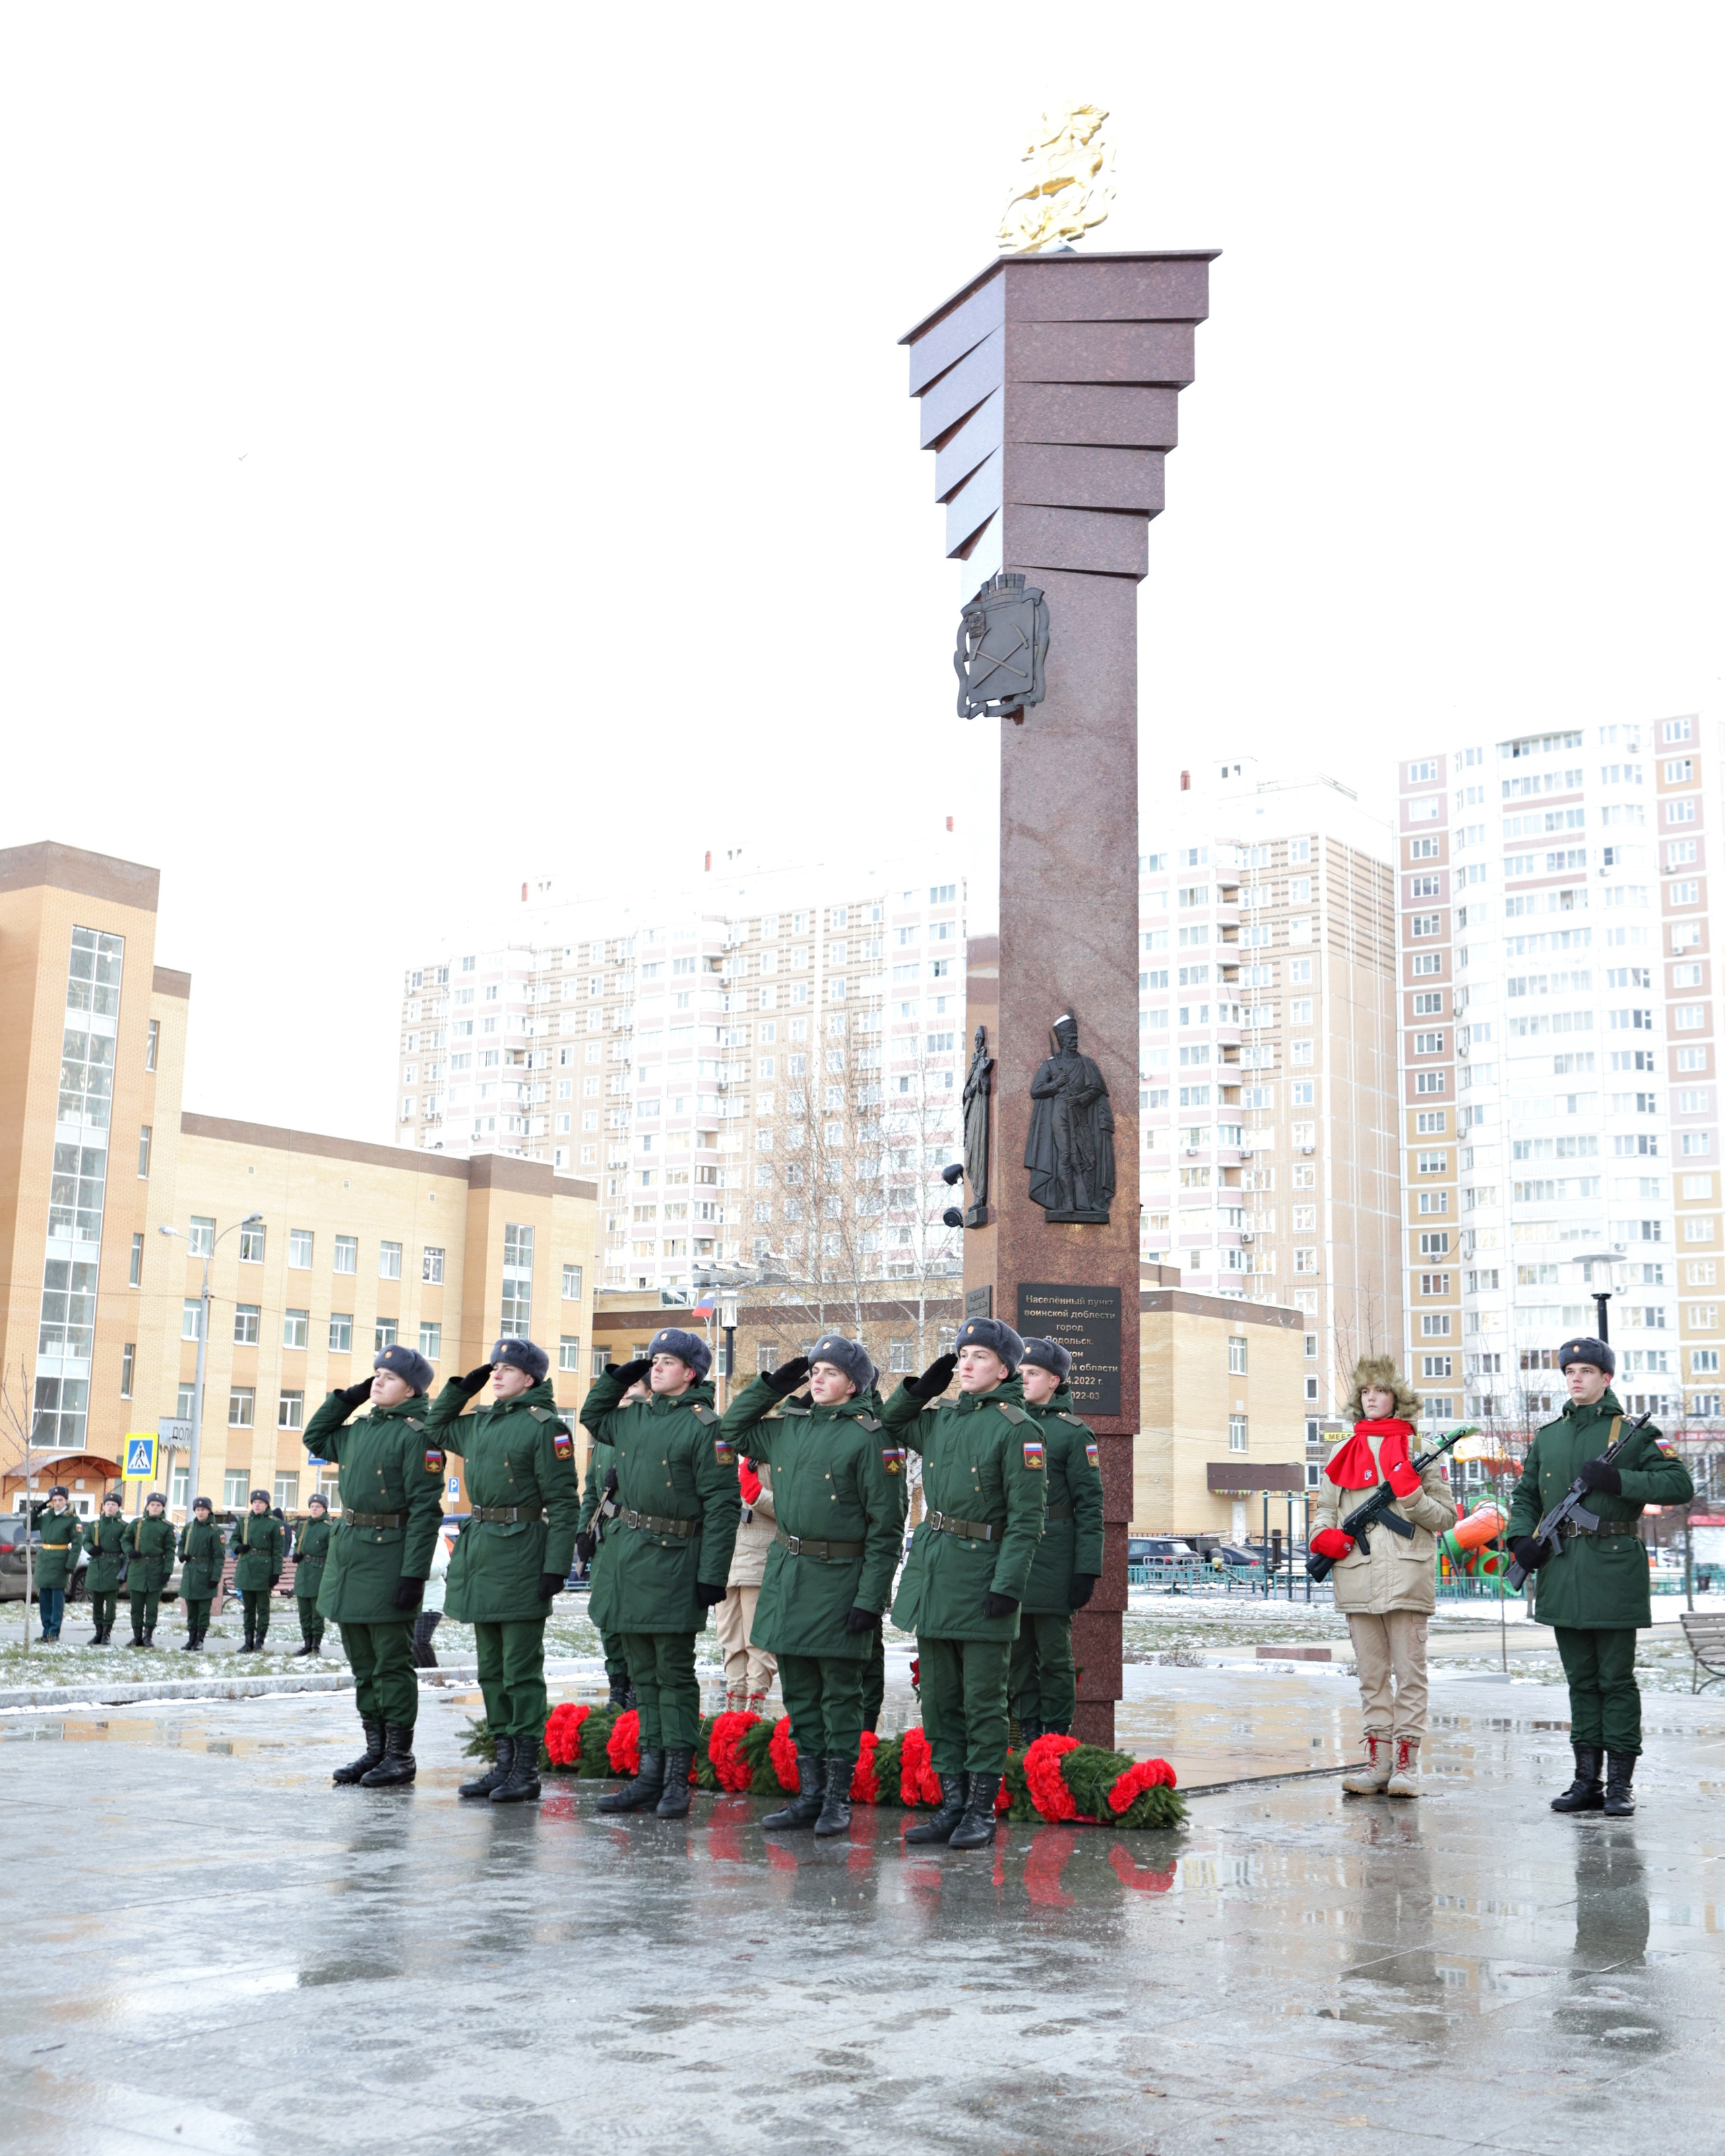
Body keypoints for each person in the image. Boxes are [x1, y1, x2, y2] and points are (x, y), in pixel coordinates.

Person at [720, 1334, 902, 1835]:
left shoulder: (871, 1438)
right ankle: (810, 1794)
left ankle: (837, 1800)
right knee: (799, 1693)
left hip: (841, 1578)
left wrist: (871, 1599)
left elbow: (886, 1530)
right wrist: (773, 1386)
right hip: (790, 1574)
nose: (818, 1379)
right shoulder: (788, 1429)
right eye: (814, 1371)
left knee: (840, 1695)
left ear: (853, 1385)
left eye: (829, 1373)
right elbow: (732, 1428)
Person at [1507, 1336, 1694, 1816]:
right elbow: (1527, 1493)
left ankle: (1619, 1786)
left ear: (1606, 1378)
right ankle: (1585, 1781)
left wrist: (1619, 1481)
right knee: (1580, 1680)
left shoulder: (1629, 1432)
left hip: (1612, 1567)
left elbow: (1680, 1485)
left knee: (1615, 1679)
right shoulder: (1549, 1435)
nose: (1576, 1378)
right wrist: (1520, 1540)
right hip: (1562, 1567)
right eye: (1570, 1371)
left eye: (1587, 1371)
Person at [882, 1315, 1046, 1850]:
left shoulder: (1017, 1429)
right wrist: (920, 1389)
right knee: (939, 1700)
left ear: (1005, 1369)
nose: (967, 1364)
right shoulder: (943, 1419)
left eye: (978, 1356)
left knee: (982, 1701)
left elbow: (1027, 1521)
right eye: (963, 1355)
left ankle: (979, 1809)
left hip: (982, 1579)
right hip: (935, 1573)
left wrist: (1008, 1585)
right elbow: (891, 1422)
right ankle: (951, 1804)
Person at [579, 1327, 741, 1817]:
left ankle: (675, 1780)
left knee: (673, 1674)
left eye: (667, 1362)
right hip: (629, 1562)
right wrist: (621, 1376)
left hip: (675, 1560)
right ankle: (648, 1775)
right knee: (642, 1676)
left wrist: (713, 1574)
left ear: (690, 1373)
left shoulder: (705, 1427)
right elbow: (592, 1416)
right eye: (652, 1360)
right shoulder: (633, 1419)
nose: (656, 1367)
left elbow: (722, 1506)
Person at [430, 1337, 582, 1805]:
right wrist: (463, 1387)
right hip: (482, 1554)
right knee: (491, 1670)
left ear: (529, 1379)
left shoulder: (546, 1428)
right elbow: (436, 1427)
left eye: (506, 1369)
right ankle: (502, 1763)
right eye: (494, 1368)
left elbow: (562, 1502)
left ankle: (525, 1769)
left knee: (520, 1669)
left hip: (521, 1554)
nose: (496, 1375)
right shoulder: (480, 1422)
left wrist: (556, 1567)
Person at [1310, 1356, 1456, 1798]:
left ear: (1397, 1397)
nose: (1371, 1398)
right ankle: (1379, 1762)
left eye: (1380, 1390)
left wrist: (1411, 1498)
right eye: (1365, 1392)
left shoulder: (1419, 1449)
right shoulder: (1343, 1451)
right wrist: (1324, 1539)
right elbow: (1324, 1512)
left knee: (1410, 1673)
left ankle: (1406, 1766)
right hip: (1357, 1576)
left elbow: (1446, 1517)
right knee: (1371, 1676)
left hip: (1407, 1577)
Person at [303, 1343, 446, 1787]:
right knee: (363, 1664)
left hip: (389, 1559)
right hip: (350, 1560)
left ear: (411, 1389)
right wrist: (349, 1397)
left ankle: (399, 1756)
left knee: (391, 1664)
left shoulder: (418, 1433)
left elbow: (426, 1511)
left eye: (388, 1377)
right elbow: (316, 1438)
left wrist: (412, 1573)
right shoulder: (361, 1428)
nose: (378, 1381)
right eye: (375, 1374)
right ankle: (375, 1750)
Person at [1010, 1337, 1105, 1742]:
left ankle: (1055, 1735)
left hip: (1053, 1558)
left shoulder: (1072, 1434)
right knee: (1015, 1654)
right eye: (1020, 1374)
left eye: (1033, 1374)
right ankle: (1026, 1733)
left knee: (1053, 1656)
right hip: (1012, 1556)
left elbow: (1090, 1506)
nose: (1024, 1380)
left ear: (1055, 1380)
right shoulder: (1007, 1423)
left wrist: (1087, 1568)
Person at [575, 1373, 646, 1710]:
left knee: (630, 1617)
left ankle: (635, 1686)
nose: (625, 1394)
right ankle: (617, 1685)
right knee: (605, 1617)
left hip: (634, 1540)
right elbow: (591, 1490)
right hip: (605, 1541)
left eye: (632, 1388)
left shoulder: (644, 1429)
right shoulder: (605, 1437)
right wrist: (584, 1534)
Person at [718, 1443, 778, 1717]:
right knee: (729, 1638)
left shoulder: (776, 1451)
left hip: (759, 1558)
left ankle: (754, 1710)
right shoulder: (725, 1449)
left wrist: (757, 1494)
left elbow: (796, 1507)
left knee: (758, 1641)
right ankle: (734, 1707)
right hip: (725, 1556)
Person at [229, 1490, 286, 1651]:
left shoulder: (275, 1523)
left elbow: (278, 1550)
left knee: (263, 1608)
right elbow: (234, 1538)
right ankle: (248, 1642)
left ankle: (260, 1641)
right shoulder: (245, 1521)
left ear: (267, 1505)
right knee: (248, 1608)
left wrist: (276, 1573)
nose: (257, 1505)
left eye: (261, 1502)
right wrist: (238, 1547)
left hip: (264, 1569)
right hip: (246, 1567)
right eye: (254, 1502)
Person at [121, 1490, 177, 1648]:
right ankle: (137, 1637)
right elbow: (125, 1540)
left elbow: (170, 1551)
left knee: (152, 1607)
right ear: (147, 1507)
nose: (155, 1508)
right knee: (136, 1607)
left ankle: (148, 1637)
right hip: (137, 1568)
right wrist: (129, 1551)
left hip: (156, 1569)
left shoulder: (167, 1527)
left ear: (163, 1508)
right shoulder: (136, 1523)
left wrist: (167, 1571)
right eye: (152, 1505)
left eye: (158, 1505)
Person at [33, 1486, 82, 1643]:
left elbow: (77, 1544)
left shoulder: (72, 1519)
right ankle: (46, 1630)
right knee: (44, 1600)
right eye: (54, 1501)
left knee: (57, 1601)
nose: (58, 1503)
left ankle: (54, 1632)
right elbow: (29, 1524)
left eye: (61, 1500)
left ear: (66, 1501)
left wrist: (71, 1564)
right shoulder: (47, 1517)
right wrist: (37, 1509)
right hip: (45, 1561)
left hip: (60, 1562)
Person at [177, 1496, 226, 1651]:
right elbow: (181, 1543)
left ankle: (200, 1640)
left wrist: (215, 1577)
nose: (200, 1512)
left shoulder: (215, 1531)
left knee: (203, 1611)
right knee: (191, 1609)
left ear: (209, 1511)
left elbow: (219, 1557)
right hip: (190, 1571)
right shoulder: (189, 1527)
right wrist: (182, 1554)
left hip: (206, 1572)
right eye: (198, 1510)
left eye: (203, 1510)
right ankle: (191, 1639)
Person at [290, 1494, 332, 1656]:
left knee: (317, 1612)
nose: (314, 1509)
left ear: (324, 1509)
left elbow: (332, 1552)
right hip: (303, 1571)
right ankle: (306, 1643)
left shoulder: (329, 1527)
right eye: (312, 1506)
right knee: (304, 1612)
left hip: (319, 1571)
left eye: (318, 1506)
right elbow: (298, 1543)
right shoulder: (304, 1525)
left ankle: (316, 1645)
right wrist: (297, 1553)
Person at [412, 1517, 456, 1668]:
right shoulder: (411, 1541)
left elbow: (435, 1569)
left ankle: (433, 1676)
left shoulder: (436, 1543)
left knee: (419, 1641)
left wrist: (411, 1568)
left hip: (431, 1603)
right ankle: (418, 1678)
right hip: (414, 1602)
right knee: (409, 1646)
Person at [84, 1492, 125, 1645]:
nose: (110, 1507)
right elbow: (86, 1541)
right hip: (96, 1566)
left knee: (111, 1603)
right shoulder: (95, 1525)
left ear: (118, 1507)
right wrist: (90, 1549)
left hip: (113, 1566)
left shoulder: (123, 1526)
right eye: (107, 1504)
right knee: (96, 1602)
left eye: (113, 1505)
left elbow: (126, 1547)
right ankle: (98, 1632)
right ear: (103, 1507)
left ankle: (107, 1633)